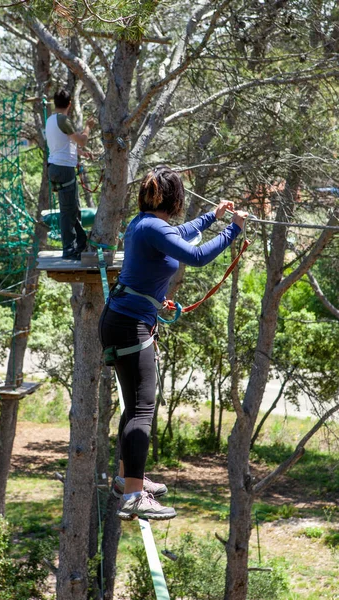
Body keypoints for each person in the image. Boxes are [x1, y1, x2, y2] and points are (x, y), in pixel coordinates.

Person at [98, 165, 248, 521]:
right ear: (176, 197)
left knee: (135, 405)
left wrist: (212, 216)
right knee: (142, 408)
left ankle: (126, 479)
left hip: (121, 319)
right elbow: (195, 256)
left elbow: (181, 233)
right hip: (131, 325)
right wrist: (234, 229)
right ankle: (134, 493)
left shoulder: (143, 224)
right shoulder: (151, 227)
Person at [46, 89, 95, 260]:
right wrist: (88, 127)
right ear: (69, 104)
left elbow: (63, 145)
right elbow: (81, 140)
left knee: (73, 208)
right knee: (68, 211)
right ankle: (69, 249)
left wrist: (80, 154)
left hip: (55, 166)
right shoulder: (64, 120)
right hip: (63, 169)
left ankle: (81, 244)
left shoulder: (51, 120)